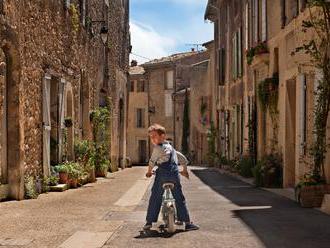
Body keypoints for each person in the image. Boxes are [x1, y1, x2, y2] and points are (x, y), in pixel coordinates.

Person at [144, 123, 199, 231]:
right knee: (179, 198)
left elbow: (152, 161)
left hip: (162, 176)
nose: (152, 139)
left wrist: (149, 172)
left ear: (162, 136)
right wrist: (184, 170)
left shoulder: (158, 148)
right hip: (174, 175)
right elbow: (183, 159)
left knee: (155, 196)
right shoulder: (172, 149)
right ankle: (187, 223)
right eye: (151, 137)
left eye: (154, 136)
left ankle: (149, 222)